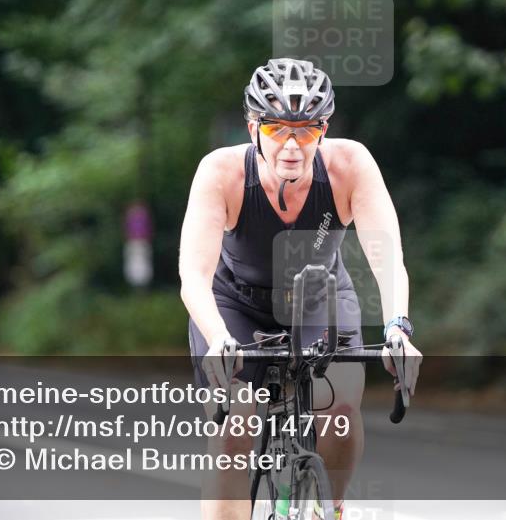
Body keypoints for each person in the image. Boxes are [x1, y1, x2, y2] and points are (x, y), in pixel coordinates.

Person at [179, 58, 422, 520]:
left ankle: (327, 508)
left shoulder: (350, 165)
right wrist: (218, 338)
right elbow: (193, 273)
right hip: (234, 306)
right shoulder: (222, 173)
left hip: (319, 296)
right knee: (235, 428)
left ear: (324, 129)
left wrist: (397, 327)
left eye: (307, 131)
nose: (292, 146)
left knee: (342, 409)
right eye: (277, 130)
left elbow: (387, 258)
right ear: (252, 128)